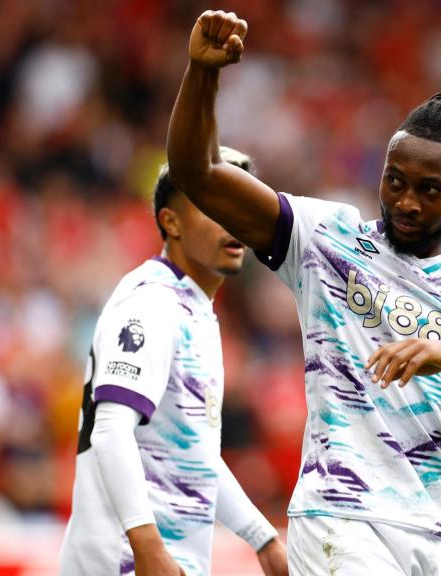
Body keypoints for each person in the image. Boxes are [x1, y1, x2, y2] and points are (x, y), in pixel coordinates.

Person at [165, 10, 441, 576]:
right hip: (342, 517)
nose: (407, 202)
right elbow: (199, 174)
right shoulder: (324, 238)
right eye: (395, 180)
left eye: (430, 190)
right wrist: (201, 73)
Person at [58, 148, 288, 576]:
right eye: (213, 207)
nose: (233, 220)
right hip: (125, 562)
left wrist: (263, 537)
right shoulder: (151, 303)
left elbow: (192, 450)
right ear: (171, 221)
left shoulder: (192, 309)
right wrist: (147, 548)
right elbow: (110, 430)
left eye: (240, 206)